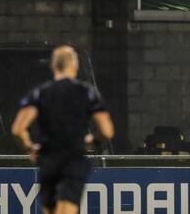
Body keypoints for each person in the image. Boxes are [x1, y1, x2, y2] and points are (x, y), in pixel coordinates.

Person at [11, 46, 114, 214]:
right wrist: (93, 140)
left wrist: (29, 147)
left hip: (48, 158)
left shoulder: (40, 93)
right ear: (75, 66)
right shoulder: (87, 92)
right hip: (73, 158)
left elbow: (17, 130)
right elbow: (107, 131)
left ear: (53, 66)